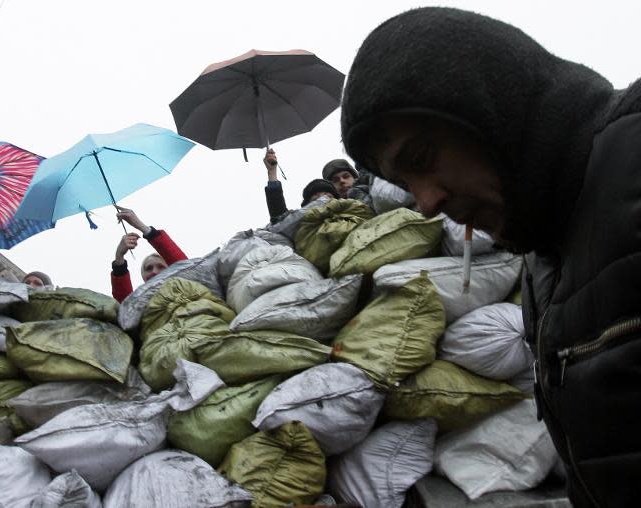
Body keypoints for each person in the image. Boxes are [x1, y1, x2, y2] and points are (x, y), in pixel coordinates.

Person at [340, 7, 640, 507]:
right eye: (404, 184)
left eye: (421, 159)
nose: (427, 201)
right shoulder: (544, 263)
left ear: (489, 104)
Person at [111, 207, 187, 302]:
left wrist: (142, 227)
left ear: (173, 269)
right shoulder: (139, 308)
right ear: (143, 276)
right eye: (148, 268)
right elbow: (123, 305)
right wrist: (119, 257)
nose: (154, 272)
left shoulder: (189, 291)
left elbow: (186, 268)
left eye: (161, 266)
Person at [263, 149, 340, 224]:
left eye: (328, 197)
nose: (323, 201)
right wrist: (272, 172)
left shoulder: (350, 215)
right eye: (316, 200)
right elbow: (280, 219)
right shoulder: (302, 226)